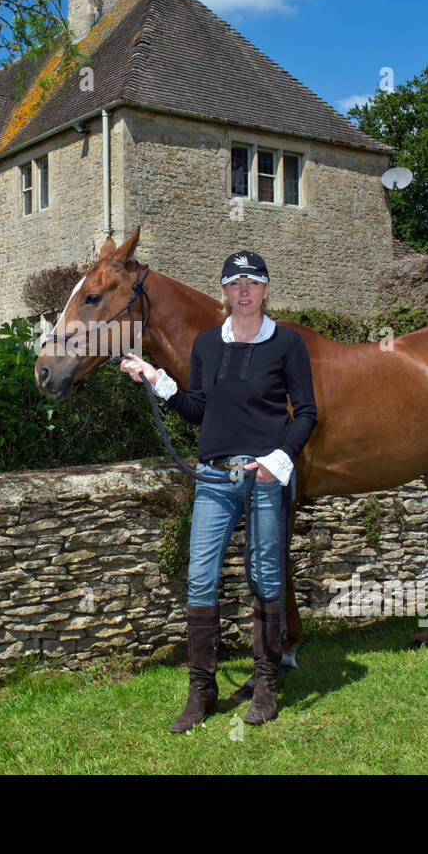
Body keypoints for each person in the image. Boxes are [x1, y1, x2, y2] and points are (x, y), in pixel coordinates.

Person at [120, 251, 316, 730]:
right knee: (201, 578)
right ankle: (201, 690)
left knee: (266, 577)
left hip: (265, 478)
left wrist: (279, 460)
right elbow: (200, 409)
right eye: (234, 283)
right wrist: (156, 379)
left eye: (252, 282)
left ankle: (267, 683)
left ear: (266, 290)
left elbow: (307, 412)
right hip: (213, 478)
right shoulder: (208, 344)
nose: (243, 290)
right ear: (225, 292)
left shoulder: (287, 344)